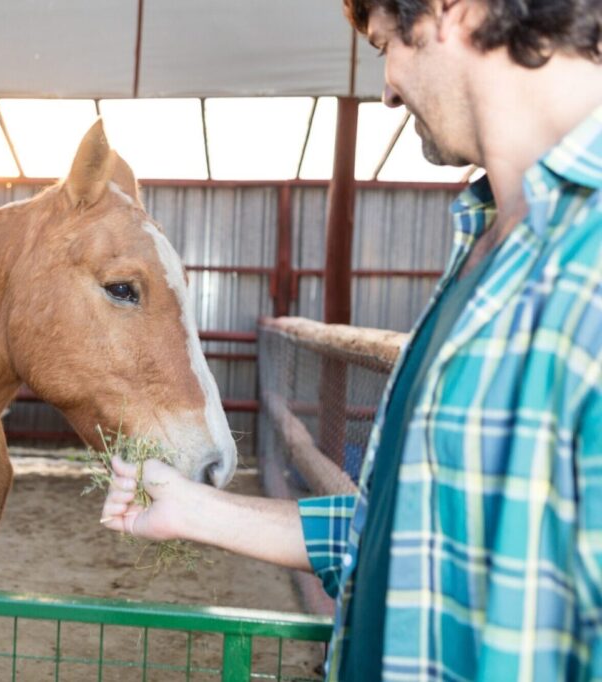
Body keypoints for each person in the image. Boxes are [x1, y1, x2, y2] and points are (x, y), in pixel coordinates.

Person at [101, 1, 602, 679]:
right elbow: (404, 533)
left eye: (385, 44)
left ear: (452, 10)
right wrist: (196, 509)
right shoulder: (488, 241)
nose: (389, 88)